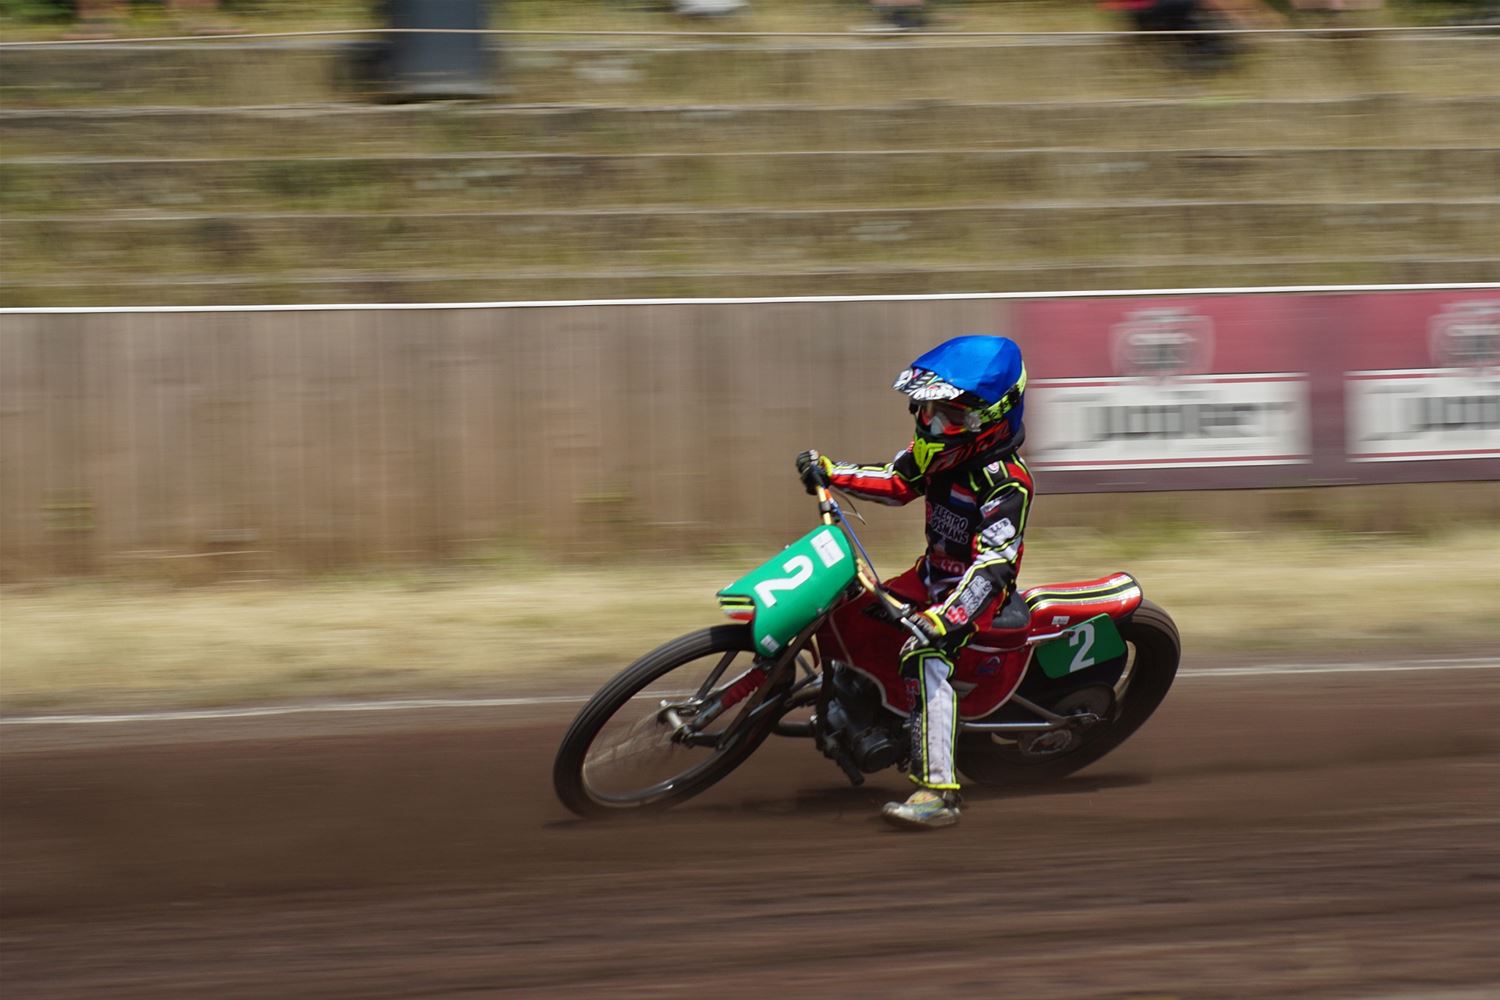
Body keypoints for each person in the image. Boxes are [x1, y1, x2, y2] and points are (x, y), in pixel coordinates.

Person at [796, 335, 1032, 831]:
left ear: (990, 419)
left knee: (922, 655)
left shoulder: (1005, 481)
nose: (932, 425)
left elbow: (995, 565)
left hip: (974, 597)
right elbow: (897, 481)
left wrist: (948, 620)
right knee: (844, 608)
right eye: (927, 411)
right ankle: (858, 704)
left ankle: (939, 793)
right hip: (929, 576)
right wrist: (832, 473)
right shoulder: (937, 452)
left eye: (949, 416)